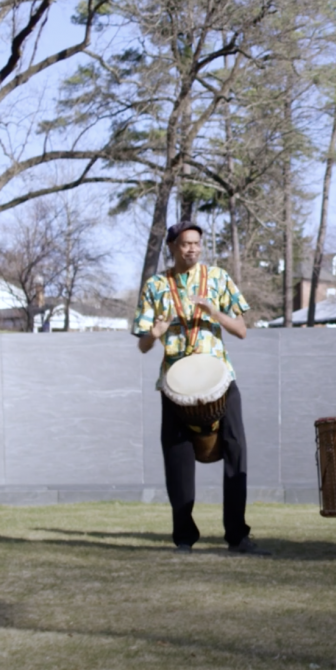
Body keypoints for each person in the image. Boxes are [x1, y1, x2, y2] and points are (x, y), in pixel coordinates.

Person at [133, 221, 268, 556]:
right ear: (173, 247)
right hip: (174, 384)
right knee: (177, 461)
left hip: (221, 380)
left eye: (196, 243)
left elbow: (241, 330)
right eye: (185, 243)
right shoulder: (155, 285)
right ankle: (183, 538)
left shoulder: (218, 278)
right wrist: (156, 332)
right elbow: (142, 346)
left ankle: (238, 536)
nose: (192, 248)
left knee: (236, 452)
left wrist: (214, 311)